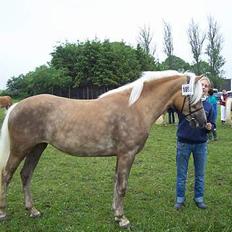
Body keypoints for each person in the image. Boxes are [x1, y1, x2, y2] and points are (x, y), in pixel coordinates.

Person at [175, 76, 215, 210]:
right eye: (201, 85)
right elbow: (173, 106)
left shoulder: (209, 105)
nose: (203, 87)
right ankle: (180, 199)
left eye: (206, 86)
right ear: (196, 87)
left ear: (208, 89)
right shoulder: (186, 101)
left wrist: (210, 127)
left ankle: (199, 198)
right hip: (183, 143)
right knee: (181, 174)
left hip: (201, 144)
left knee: (200, 174)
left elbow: (212, 124)